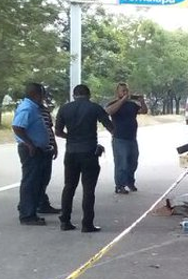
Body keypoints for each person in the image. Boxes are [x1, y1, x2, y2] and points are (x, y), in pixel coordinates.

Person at [55, 84, 114, 233]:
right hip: (89, 152)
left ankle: (65, 221)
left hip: (71, 152)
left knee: (69, 186)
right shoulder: (94, 108)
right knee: (88, 189)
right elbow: (110, 126)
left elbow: (58, 132)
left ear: (74, 95)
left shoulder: (64, 108)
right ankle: (87, 224)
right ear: (89, 95)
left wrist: (72, 137)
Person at [12, 82, 54, 226]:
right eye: (43, 93)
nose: (44, 96)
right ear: (36, 94)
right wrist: (30, 143)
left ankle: (33, 207)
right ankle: (27, 214)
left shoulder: (35, 107)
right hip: (31, 150)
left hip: (40, 149)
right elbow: (17, 127)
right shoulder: (27, 108)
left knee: (39, 181)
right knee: (30, 182)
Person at [105, 83, 147, 194]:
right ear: (117, 92)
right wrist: (122, 100)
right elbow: (108, 112)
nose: (125, 93)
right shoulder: (113, 104)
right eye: (122, 91)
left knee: (133, 162)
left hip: (132, 138)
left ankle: (130, 182)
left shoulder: (132, 105)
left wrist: (142, 101)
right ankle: (120, 185)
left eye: (126, 91)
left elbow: (144, 111)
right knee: (121, 163)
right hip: (119, 138)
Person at [36, 86, 60, 215]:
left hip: (47, 147)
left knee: (45, 178)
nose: (43, 98)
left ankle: (42, 203)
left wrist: (54, 145)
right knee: (34, 178)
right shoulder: (32, 110)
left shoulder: (45, 110)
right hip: (36, 148)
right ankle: (28, 204)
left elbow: (50, 128)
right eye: (41, 95)